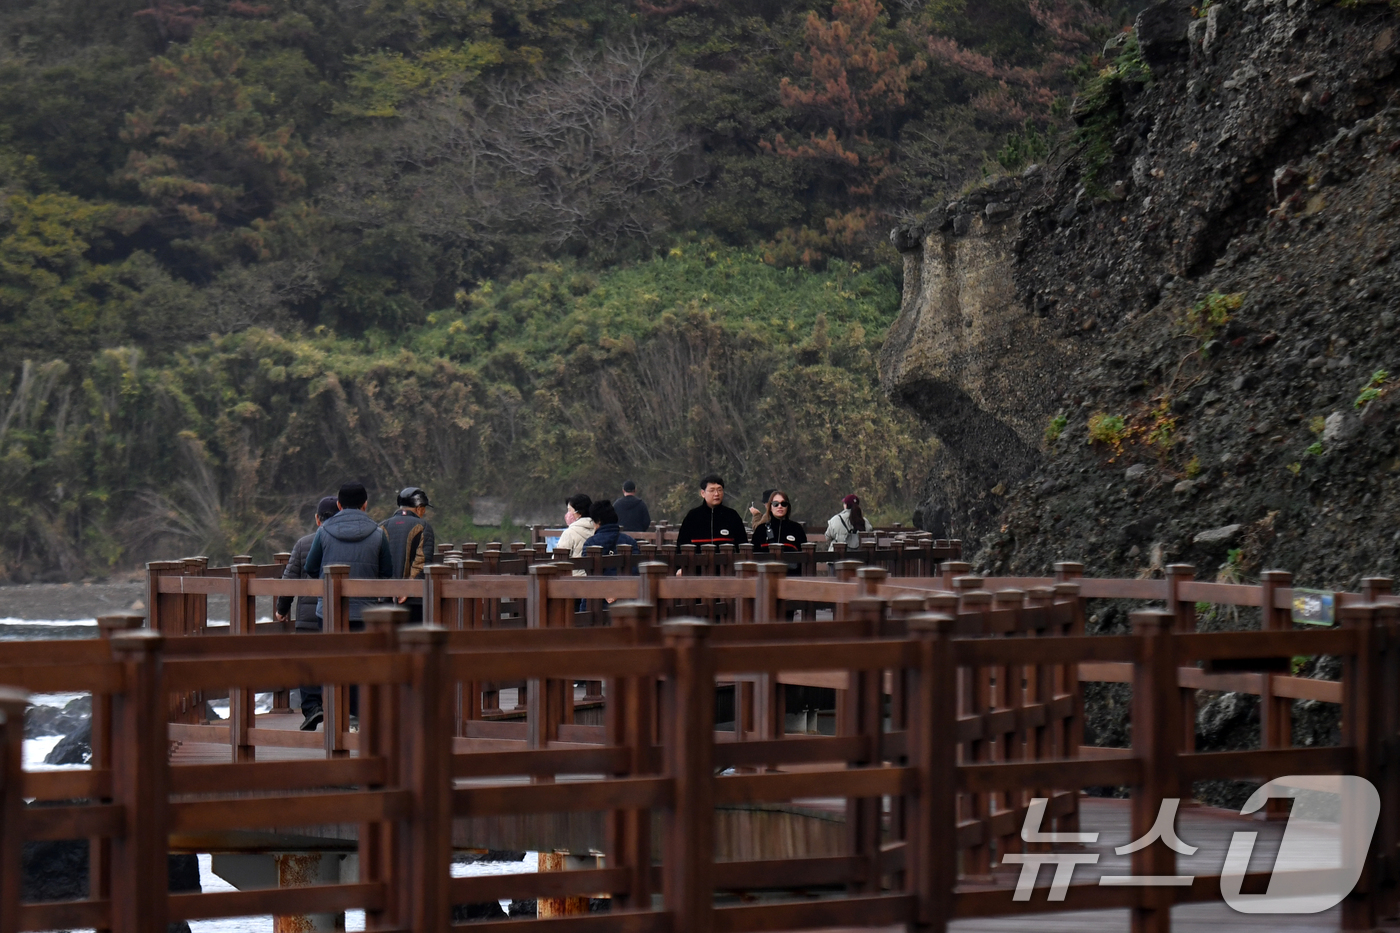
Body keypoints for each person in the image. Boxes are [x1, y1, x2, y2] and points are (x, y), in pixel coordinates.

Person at [297, 482, 393, 730]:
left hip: (330, 610)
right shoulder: (378, 533)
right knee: (363, 662)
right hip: (366, 611)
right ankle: (359, 717)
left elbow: (309, 567)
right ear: (365, 504)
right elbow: (387, 572)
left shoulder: (324, 531)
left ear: (339, 505)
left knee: (334, 662)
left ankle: (336, 717)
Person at [274, 495, 339, 631]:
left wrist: (281, 610)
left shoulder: (303, 544)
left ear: (317, 519)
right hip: (339, 618)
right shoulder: (346, 543)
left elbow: (289, 581)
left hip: (307, 621)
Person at [380, 486, 436, 623]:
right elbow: (422, 562)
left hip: (384, 598)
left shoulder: (381, 526)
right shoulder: (423, 526)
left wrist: (387, 589)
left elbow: (378, 561)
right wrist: (407, 588)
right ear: (419, 508)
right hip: (413, 600)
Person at [676, 473, 747, 548]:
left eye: (719, 490)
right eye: (712, 490)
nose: (716, 494)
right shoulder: (693, 516)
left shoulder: (732, 516)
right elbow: (681, 546)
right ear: (703, 493)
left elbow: (743, 545)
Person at [750, 490, 808, 555]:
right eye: (775, 504)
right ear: (770, 507)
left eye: (784, 504)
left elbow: (804, 555)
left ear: (787, 507)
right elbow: (753, 556)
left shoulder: (796, 529)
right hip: (766, 564)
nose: (780, 506)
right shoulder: (761, 529)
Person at [556, 493, 596, 576]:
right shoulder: (598, 529)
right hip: (596, 577)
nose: (568, 514)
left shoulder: (569, 533)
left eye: (569, 510)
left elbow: (558, 559)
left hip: (574, 580)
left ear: (579, 512)